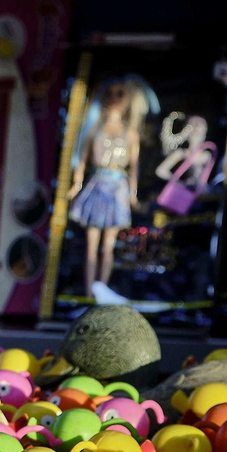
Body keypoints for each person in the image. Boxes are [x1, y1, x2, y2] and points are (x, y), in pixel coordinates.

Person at [67, 78, 147, 298]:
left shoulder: (130, 133)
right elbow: (82, 161)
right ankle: (89, 293)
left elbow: (134, 167)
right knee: (91, 247)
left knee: (108, 246)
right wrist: (76, 185)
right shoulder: (94, 129)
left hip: (117, 187)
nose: (114, 99)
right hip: (97, 184)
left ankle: (101, 291)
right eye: (110, 93)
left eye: (119, 94)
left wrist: (133, 195)